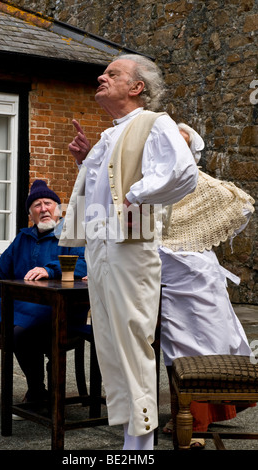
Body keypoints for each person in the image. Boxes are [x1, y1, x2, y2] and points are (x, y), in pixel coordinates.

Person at [59, 54, 199, 450]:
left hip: (131, 246)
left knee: (131, 341)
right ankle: (130, 439)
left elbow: (181, 172)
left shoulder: (156, 123)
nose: (102, 77)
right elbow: (106, 185)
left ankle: (141, 446)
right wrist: (85, 162)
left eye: (113, 74)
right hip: (101, 246)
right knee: (108, 340)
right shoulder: (110, 134)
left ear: (137, 87)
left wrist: (134, 197)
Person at [160, 123, 255, 448]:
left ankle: (198, 420)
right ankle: (189, 415)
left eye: (183, 144)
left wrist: (195, 235)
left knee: (211, 340)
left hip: (198, 275)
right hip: (168, 278)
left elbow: (236, 200)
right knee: (179, 347)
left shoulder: (199, 182)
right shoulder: (156, 182)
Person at [0, 179, 87, 414]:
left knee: (21, 331)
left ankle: (37, 390)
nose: (43, 209)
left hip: (54, 309)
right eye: (37, 205)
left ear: (58, 209)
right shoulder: (23, 239)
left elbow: (85, 266)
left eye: (48, 203)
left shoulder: (72, 234)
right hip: (16, 306)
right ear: (31, 214)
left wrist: (50, 269)